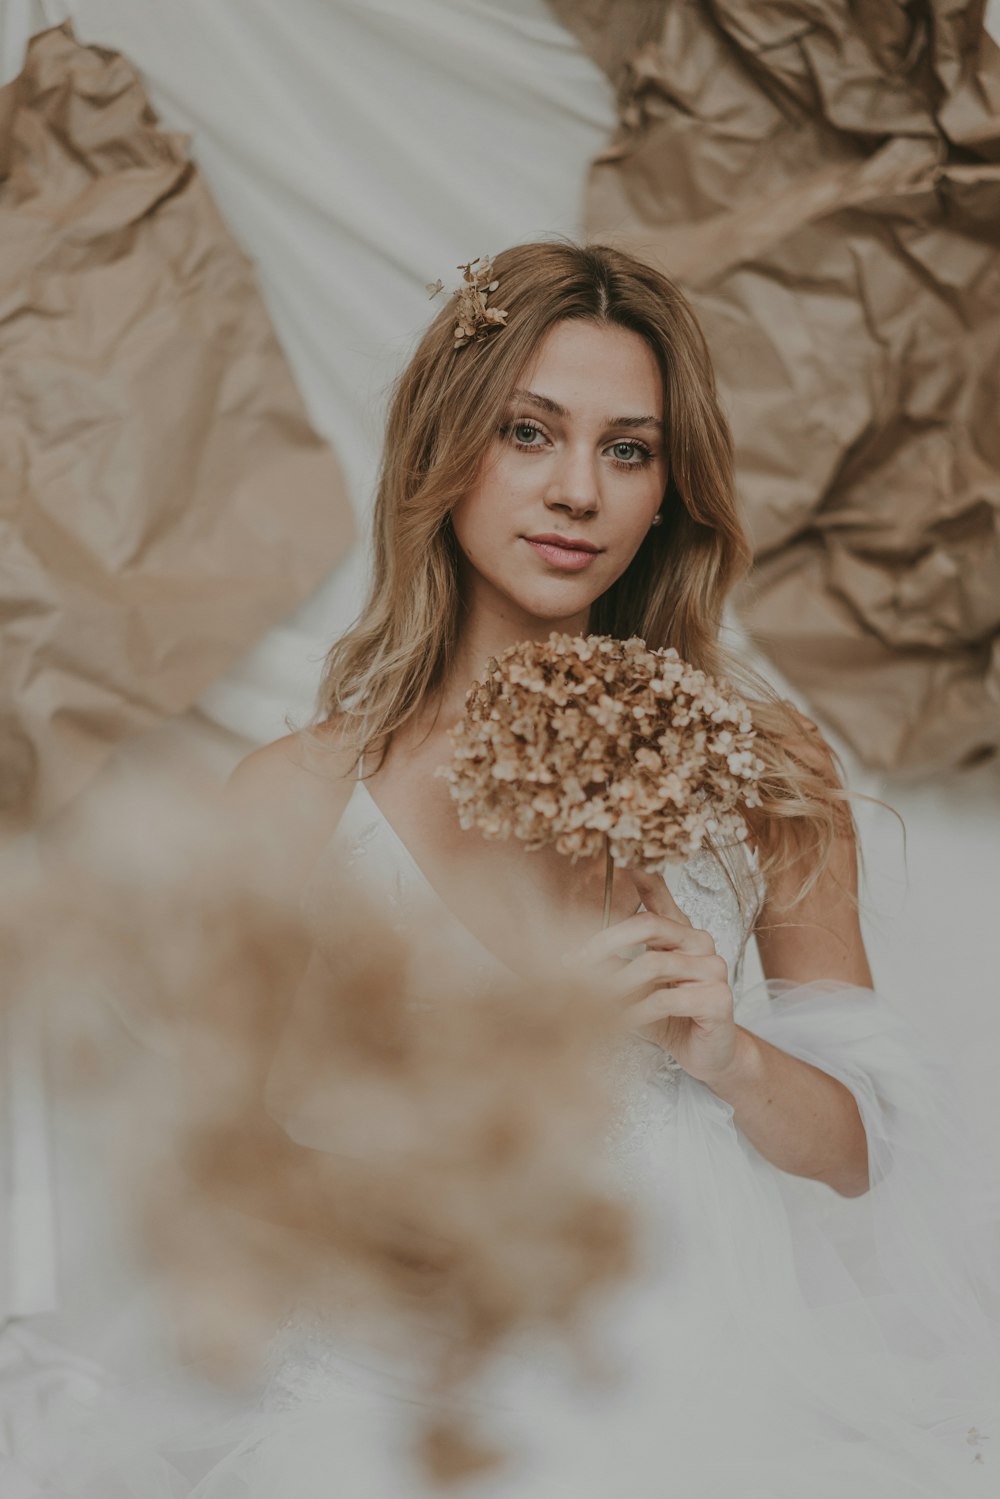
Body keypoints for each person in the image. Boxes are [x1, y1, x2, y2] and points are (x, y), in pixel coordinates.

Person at [10, 240, 997, 1496]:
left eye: (627, 448)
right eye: (529, 433)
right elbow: (223, 1190)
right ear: (445, 451)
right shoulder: (299, 797)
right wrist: (443, 1101)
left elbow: (867, 1154)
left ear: (666, 493)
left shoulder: (758, 767)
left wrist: (727, 1050)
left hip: (713, 1378)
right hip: (407, 1400)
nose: (577, 489)